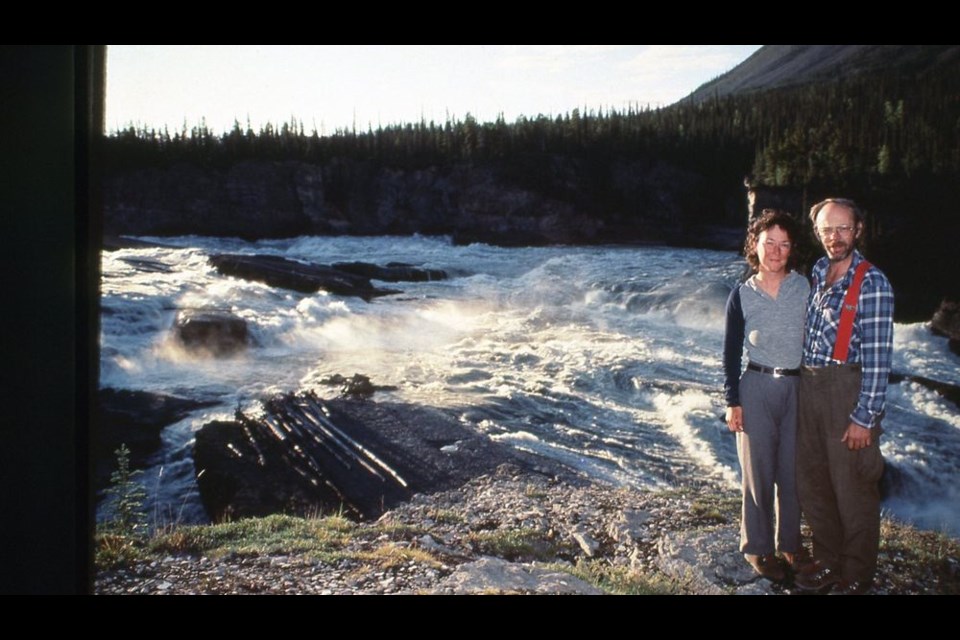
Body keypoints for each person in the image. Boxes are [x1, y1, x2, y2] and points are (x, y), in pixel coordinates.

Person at [795, 198, 894, 595]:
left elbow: (878, 358)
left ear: (858, 230)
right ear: (817, 232)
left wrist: (864, 417)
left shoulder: (873, 282)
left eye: (842, 229)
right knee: (813, 483)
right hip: (809, 388)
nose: (834, 237)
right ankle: (828, 562)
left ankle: (855, 577)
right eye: (826, 229)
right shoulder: (818, 272)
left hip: (846, 392)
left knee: (853, 488)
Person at [723, 209, 811, 581]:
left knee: (793, 474)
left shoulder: (806, 287)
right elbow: (729, 352)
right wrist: (732, 401)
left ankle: (790, 544)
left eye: (784, 244)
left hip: (798, 389)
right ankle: (757, 548)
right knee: (758, 474)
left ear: (792, 249)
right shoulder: (742, 294)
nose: (775, 251)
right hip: (756, 388)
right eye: (768, 243)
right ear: (754, 246)